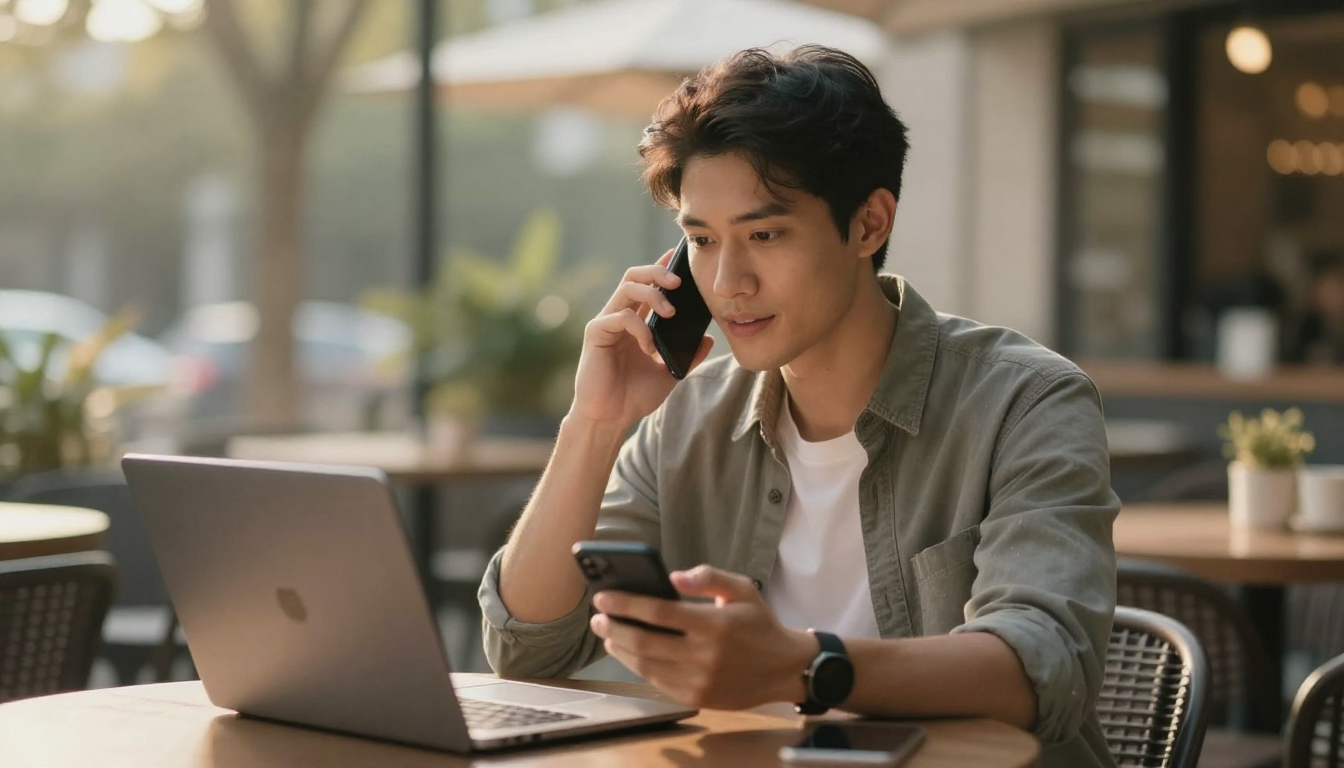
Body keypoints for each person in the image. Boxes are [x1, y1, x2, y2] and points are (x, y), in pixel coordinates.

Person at [478, 45, 1118, 768]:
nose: (727, 282)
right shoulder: (689, 416)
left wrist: (801, 665)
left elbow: (1046, 664)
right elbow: (528, 645)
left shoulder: (1025, 401)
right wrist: (593, 423)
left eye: (764, 234)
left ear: (870, 224)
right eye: (700, 240)